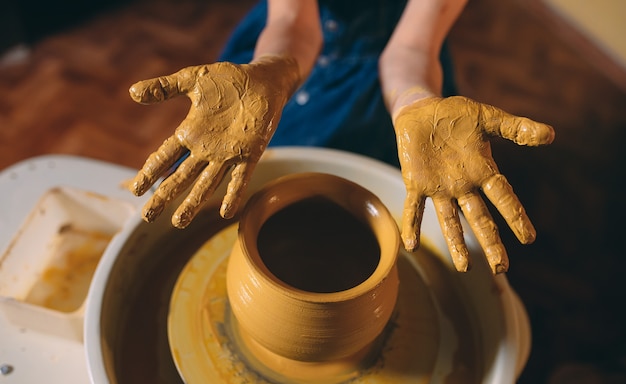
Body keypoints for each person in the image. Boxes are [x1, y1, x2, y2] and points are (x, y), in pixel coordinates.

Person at [126, 0, 555, 275]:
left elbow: (411, 50)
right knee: (238, 158)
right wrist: (272, 71)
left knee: (384, 205)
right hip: (288, 54)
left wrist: (413, 104)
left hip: (388, 70)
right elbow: (294, 21)